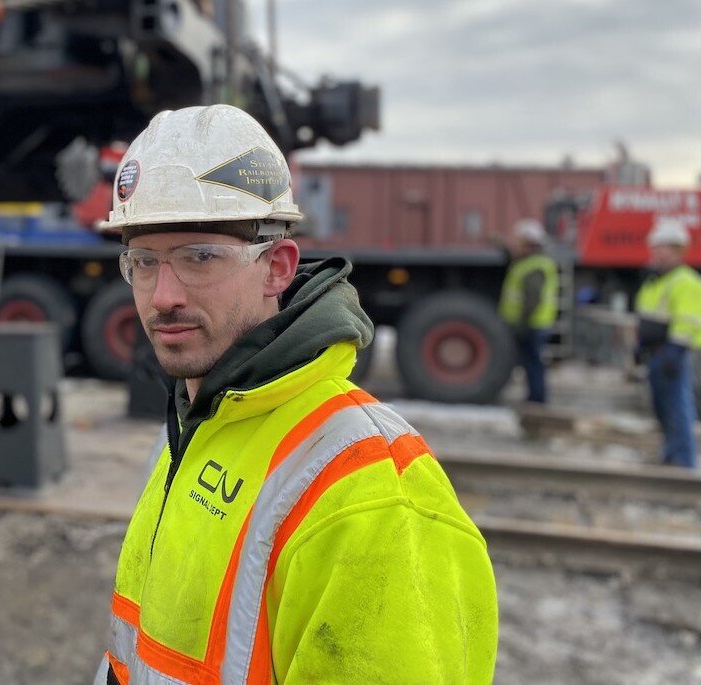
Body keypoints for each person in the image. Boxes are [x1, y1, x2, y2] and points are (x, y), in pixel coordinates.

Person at [93, 105, 498, 684]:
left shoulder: (371, 490)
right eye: (144, 261)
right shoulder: (197, 425)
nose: (163, 296)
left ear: (277, 269)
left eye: (198, 257)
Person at [634, 217, 701, 469]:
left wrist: (676, 349)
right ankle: (670, 453)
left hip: (674, 353)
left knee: (678, 408)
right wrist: (639, 346)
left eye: (662, 248)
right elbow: (647, 316)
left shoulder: (686, 281)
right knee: (662, 408)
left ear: (677, 251)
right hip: (655, 352)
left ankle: (683, 460)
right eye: (655, 247)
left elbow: (688, 320)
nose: (656, 253)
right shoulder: (656, 280)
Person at [497, 218, 558, 403]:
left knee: (533, 363)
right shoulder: (529, 262)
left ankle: (537, 399)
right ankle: (535, 397)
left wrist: (522, 324)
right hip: (534, 324)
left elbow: (532, 300)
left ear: (530, 245)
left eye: (520, 243)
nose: (517, 246)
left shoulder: (535, 266)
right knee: (531, 362)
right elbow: (512, 257)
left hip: (533, 324)